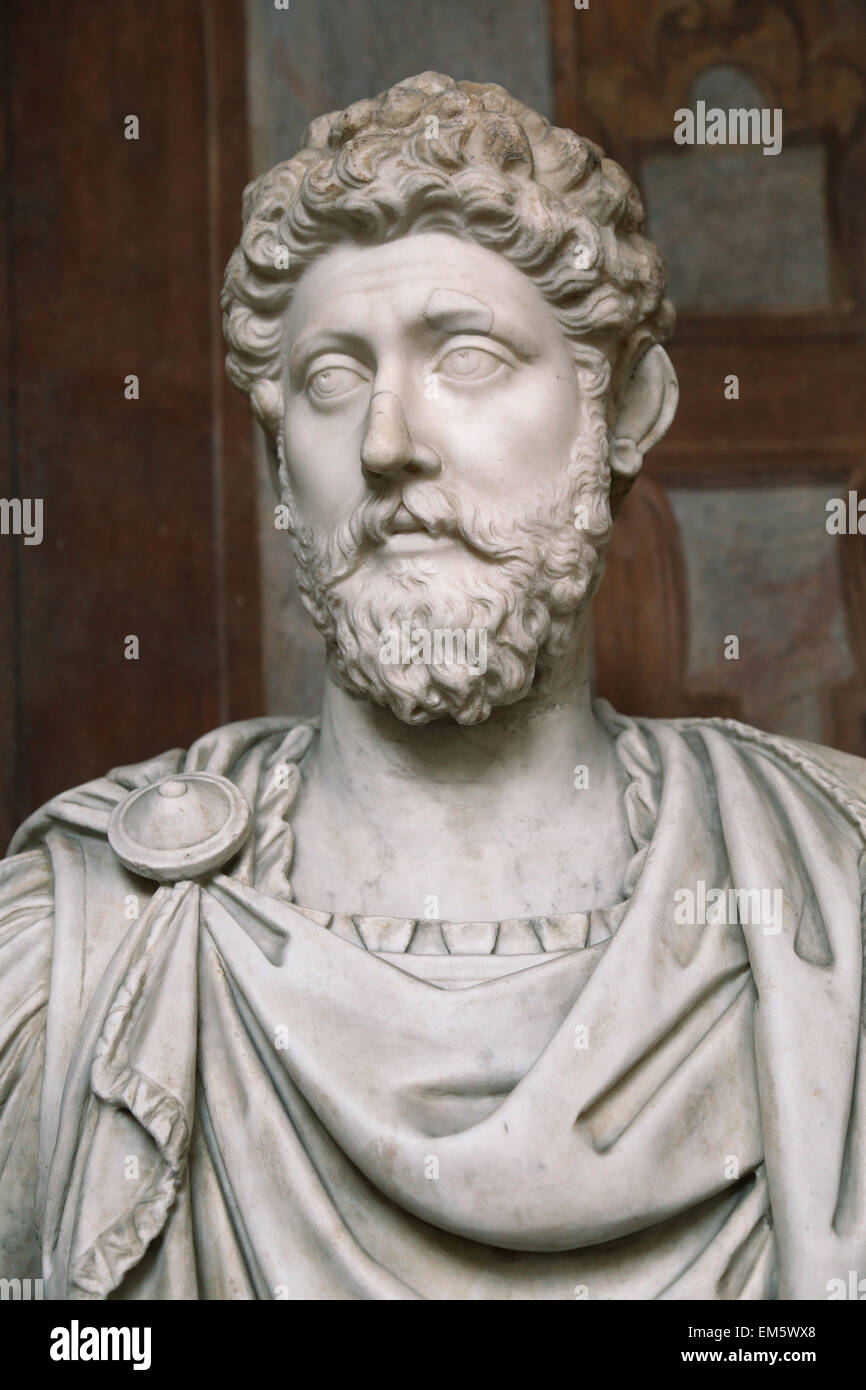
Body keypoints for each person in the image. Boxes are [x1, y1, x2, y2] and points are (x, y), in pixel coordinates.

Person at [1, 73, 864, 1300]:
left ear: (622, 408)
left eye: (464, 356)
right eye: (332, 377)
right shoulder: (77, 949)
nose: (388, 442)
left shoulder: (834, 881)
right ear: (278, 462)